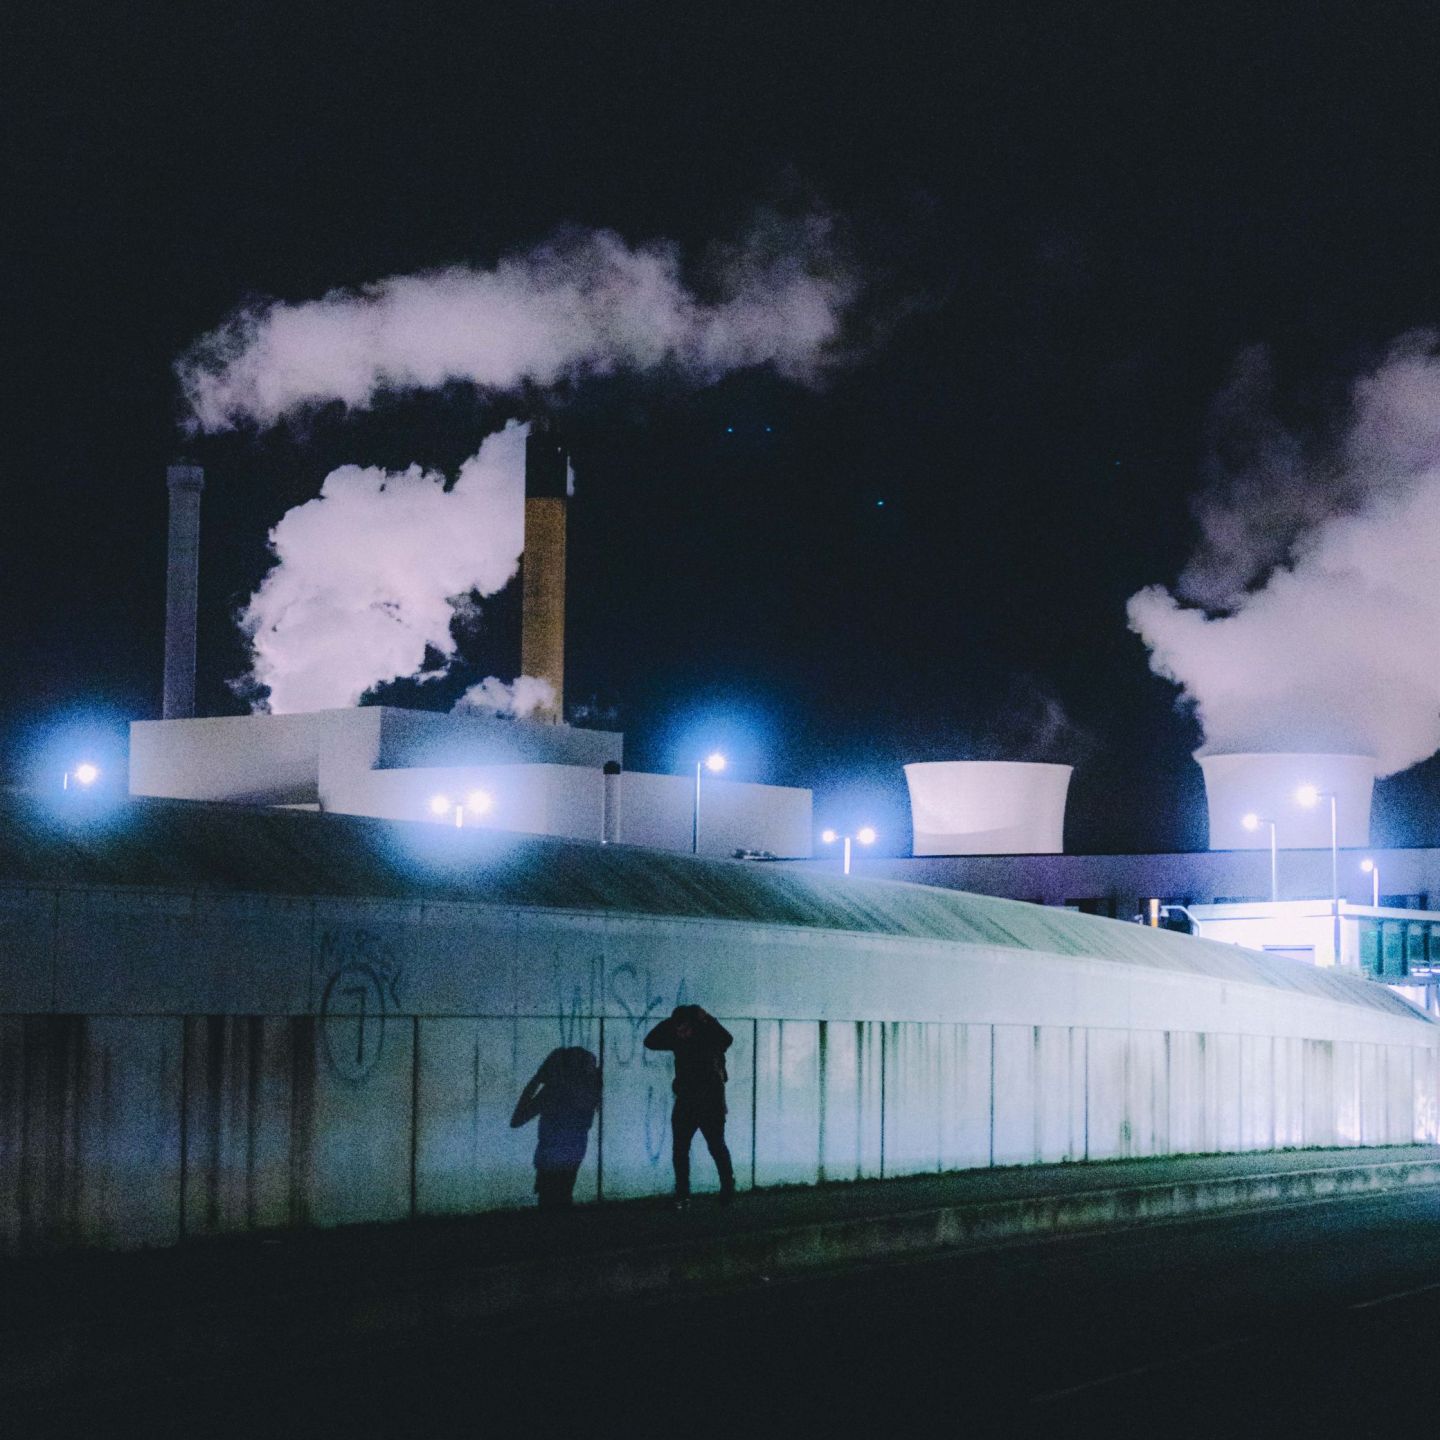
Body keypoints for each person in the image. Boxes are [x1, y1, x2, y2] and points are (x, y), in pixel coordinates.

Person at [644, 1004, 735, 1208]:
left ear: (694, 1025)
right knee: (681, 1149)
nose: (681, 1034)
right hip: (687, 1101)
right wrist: (671, 1023)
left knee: (716, 1145)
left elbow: (727, 1039)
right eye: (677, 1030)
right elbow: (649, 1041)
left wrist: (708, 1018)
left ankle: (727, 1188)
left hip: (710, 1101)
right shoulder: (677, 1039)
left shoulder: (709, 1038)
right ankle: (683, 1194)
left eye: (684, 1029)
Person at [510, 1046, 601, 1209]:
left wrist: (536, 1080)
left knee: (549, 1207)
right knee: (563, 1201)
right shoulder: (588, 1093)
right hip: (572, 1159)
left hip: (549, 1161)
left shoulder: (551, 1094)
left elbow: (516, 1120)